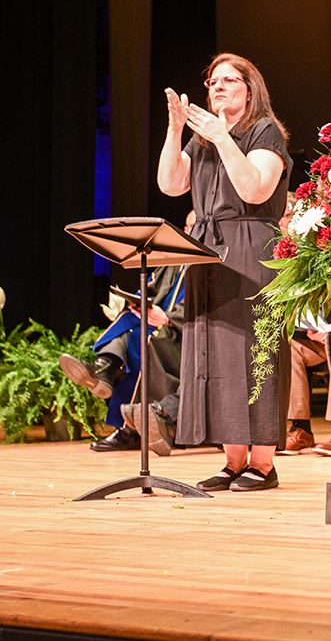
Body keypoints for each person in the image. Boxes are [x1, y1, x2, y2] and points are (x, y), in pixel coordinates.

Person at [158, 53, 292, 492]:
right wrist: (177, 129)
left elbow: (255, 188)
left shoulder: (263, 131)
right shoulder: (204, 137)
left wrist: (222, 138)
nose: (217, 87)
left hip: (254, 250)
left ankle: (264, 463)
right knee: (216, 355)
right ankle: (233, 460)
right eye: (212, 81)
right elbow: (171, 184)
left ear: (249, 89)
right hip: (209, 250)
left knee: (255, 352)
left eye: (228, 81)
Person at [59, 211, 194, 454]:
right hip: (157, 326)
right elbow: (150, 288)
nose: (193, 231)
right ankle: (107, 372)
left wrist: (168, 318)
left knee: (139, 339)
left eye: (199, 226)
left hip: (185, 336)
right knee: (133, 325)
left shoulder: (209, 265)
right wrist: (140, 302)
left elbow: (208, 309)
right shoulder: (171, 261)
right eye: (190, 226)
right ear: (184, 230)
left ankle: (106, 372)